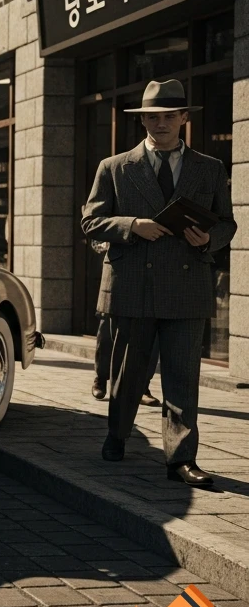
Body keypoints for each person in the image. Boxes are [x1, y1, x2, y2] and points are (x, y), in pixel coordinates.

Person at [83, 79, 237, 488]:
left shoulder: (210, 168)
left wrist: (209, 239)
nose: (161, 123)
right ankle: (117, 435)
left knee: (183, 377)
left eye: (170, 116)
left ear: (184, 118)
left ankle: (181, 459)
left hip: (187, 288)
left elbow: (227, 223)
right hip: (134, 284)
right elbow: (90, 221)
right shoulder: (114, 167)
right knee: (129, 373)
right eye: (153, 117)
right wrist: (133, 225)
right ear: (142, 122)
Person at [90, 239, 160, 405]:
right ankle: (101, 378)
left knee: (152, 335)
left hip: (153, 273)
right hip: (119, 272)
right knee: (107, 332)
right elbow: (96, 237)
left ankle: (143, 387)